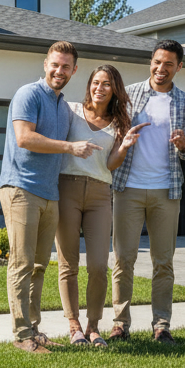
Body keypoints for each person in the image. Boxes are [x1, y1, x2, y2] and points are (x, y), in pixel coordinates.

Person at [0, 41, 103, 354]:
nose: (60, 71)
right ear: (46, 64)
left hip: (49, 192)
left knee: (39, 265)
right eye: (55, 64)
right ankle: (22, 336)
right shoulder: (29, 94)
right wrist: (70, 147)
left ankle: (34, 330)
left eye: (66, 66)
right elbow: (24, 137)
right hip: (21, 188)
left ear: (74, 70)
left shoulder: (63, 107)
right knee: (22, 263)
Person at [108, 39, 185, 345]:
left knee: (163, 262)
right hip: (128, 188)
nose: (161, 69)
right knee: (123, 259)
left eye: (169, 64)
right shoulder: (128, 94)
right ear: (151, 62)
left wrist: (184, 146)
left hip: (166, 190)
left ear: (179, 67)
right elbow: (112, 133)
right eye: (157, 62)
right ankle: (120, 323)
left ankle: (161, 325)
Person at [55, 64, 145, 347]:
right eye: (96, 82)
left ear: (114, 89)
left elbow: (111, 164)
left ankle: (93, 326)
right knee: (68, 263)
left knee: (97, 265)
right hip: (67, 188)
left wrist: (124, 146)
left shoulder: (119, 122)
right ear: (89, 85)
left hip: (99, 193)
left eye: (106, 84)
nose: (100, 88)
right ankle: (74, 325)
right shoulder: (71, 110)